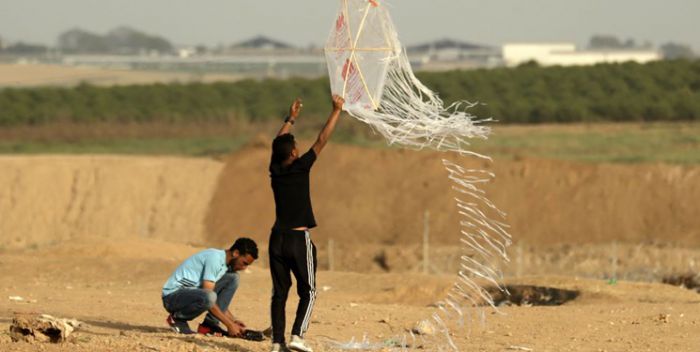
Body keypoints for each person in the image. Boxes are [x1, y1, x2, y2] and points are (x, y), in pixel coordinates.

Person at [268, 94, 345, 352]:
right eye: (295, 145)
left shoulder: (275, 169)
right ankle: (297, 337)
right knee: (309, 291)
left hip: (276, 238)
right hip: (297, 240)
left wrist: (291, 119)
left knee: (279, 293)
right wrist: (336, 110)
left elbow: (276, 144)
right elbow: (322, 139)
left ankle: (277, 343)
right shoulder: (301, 167)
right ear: (293, 152)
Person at [162, 237, 258, 337]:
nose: (244, 268)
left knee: (233, 278)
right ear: (236, 253)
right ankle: (178, 319)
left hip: (191, 294)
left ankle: (209, 326)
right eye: (244, 263)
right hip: (172, 297)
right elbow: (209, 298)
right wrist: (229, 325)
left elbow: (214, 301)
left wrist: (233, 321)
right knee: (210, 295)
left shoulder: (224, 265)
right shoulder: (215, 259)